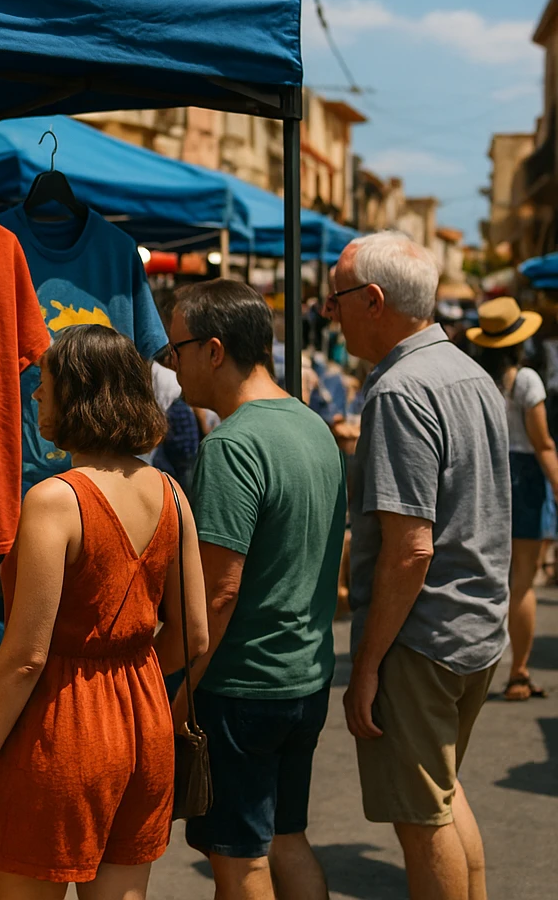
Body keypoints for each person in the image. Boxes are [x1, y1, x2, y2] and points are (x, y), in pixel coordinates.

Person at [0, 324, 207, 900]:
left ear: (80, 394)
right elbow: (195, 633)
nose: (36, 395)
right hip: (144, 724)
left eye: (46, 384)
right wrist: (129, 680)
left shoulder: (53, 501)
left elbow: (25, 659)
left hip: (60, 728)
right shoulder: (172, 493)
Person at [326, 232, 509, 900]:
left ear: (372, 301)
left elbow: (410, 548)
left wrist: (367, 665)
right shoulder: (469, 373)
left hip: (422, 639)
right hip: (473, 628)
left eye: (336, 299)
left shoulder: (399, 390)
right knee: (441, 792)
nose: (329, 311)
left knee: (421, 816)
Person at [166, 280, 347, 900]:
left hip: (240, 686)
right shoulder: (314, 426)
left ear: (213, 350)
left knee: (238, 861)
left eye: (176, 350)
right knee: (286, 840)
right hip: (304, 676)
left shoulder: (231, 445)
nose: (173, 365)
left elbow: (217, 593)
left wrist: (181, 691)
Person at [467, 297, 558, 701]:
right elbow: (542, 443)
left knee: (486, 577)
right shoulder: (526, 382)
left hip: (483, 475)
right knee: (522, 582)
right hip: (523, 477)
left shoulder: (473, 378)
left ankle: (472, 671)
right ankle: (518, 673)